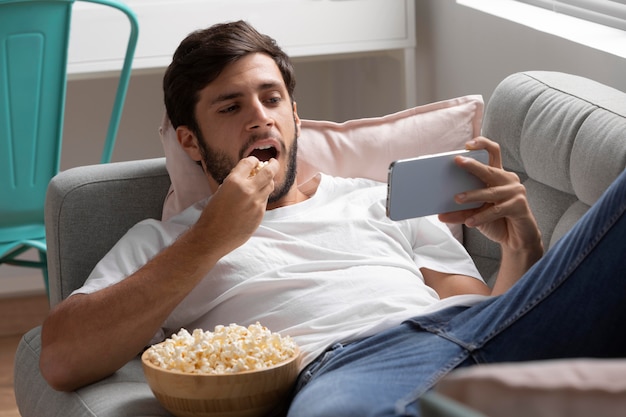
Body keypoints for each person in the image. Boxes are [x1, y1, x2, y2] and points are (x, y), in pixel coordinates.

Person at [39, 20, 626, 416]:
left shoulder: (377, 198)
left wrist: (522, 246)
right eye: (230, 106)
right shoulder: (166, 240)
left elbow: (474, 316)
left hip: (472, 336)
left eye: (271, 100)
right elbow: (61, 359)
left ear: (295, 114)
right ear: (191, 142)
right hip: (344, 369)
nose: (259, 119)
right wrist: (211, 239)